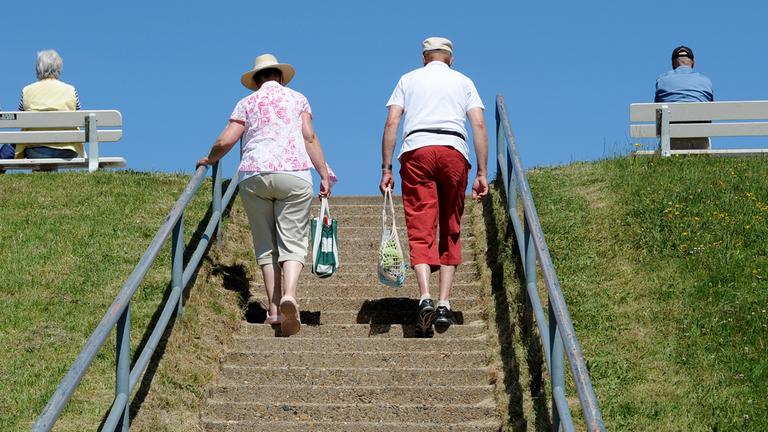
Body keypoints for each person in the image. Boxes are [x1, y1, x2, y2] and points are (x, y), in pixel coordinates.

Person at [197, 54, 332, 337]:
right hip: (294, 174)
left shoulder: (246, 103)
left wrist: (210, 159)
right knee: (293, 241)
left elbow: (227, 139)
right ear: (280, 77)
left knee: (265, 244)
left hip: (254, 174)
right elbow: (309, 136)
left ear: (256, 81)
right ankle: (290, 295)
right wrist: (323, 172)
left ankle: (273, 309)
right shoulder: (298, 99)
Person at [380, 37, 489, 337]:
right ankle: (444, 303)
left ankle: (425, 296)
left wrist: (386, 168)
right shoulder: (464, 81)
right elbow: (479, 124)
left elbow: (392, 122)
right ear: (450, 59)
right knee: (451, 226)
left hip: (417, 150)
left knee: (420, 225)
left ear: (424, 58)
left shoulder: (408, 79)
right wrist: (481, 172)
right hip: (454, 150)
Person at [16, 49, 84, 159]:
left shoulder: (27, 90)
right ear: (59, 68)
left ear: (38, 68)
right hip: (67, 150)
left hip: (35, 150)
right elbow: (79, 118)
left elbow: (20, 120)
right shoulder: (71, 90)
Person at [655, 45, 714, 150]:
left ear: (673, 63)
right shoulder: (706, 81)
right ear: (693, 62)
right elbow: (710, 113)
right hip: (700, 138)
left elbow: (658, 108)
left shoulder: (662, 80)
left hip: (671, 139)